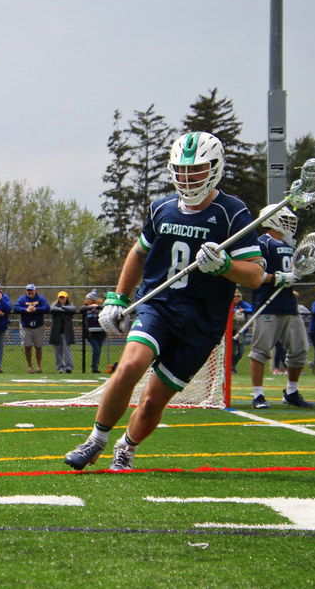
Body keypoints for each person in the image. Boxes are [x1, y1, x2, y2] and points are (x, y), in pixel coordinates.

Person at [64, 132, 263, 472]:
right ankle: (95, 441)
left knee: (155, 399)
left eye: (197, 169)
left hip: (202, 323)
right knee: (127, 367)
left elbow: (256, 275)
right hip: (159, 306)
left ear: (215, 169)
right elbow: (138, 253)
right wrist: (118, 297)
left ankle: (127, 447)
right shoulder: (162, 209)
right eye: (182, 170)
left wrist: (226, 266)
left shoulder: (232, 212)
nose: (188, 177)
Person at [247, 203, 314, 409]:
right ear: (272, 220)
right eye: (285, 220)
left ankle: (291, 392)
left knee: (300, 349)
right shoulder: (262, 243)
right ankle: (258, 395)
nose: (289, 224)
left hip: (289, 306)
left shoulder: (290, 246)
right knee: (260, 351)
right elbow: (253, 274)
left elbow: (293, 273)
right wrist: (278, 277)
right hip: (267, 306)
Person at [14, 284, 49, 373]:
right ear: (26, 291)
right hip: (26, 326)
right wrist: (26, 310)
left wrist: (36, 309)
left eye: (31, 290)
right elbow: (16, 308)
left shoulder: (40, 298)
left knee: (38, 346)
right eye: (28, 290)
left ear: (35, 290)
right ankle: (29, 366)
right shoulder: (22, 299)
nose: (30, 292)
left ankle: (38, 366)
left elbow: (47, 307)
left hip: (38, 326)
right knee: (28, 346)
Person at [49, 291, 76, 373]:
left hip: (67, 332)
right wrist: (63, 309)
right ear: (58, 298)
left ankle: (69, 367)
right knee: (58, 351)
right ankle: (60, 368)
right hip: (56, 331)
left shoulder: (70, 306)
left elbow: (73, 309)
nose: (62, 299)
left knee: (67, 350)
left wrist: (61, 308)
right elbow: (52, 309)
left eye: (63, 297)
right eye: (60, 297)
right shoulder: (54, 306)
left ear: (66, 298)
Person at [79, 290, 106, 373]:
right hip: (90, 333)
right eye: (86, 299)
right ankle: (94, 367)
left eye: (89, 299)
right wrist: (92, 306)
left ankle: (95, 368)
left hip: (101, 332)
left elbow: (104, 308)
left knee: (99, 350)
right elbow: (81, 309)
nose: (87, 300)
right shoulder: (85, 307)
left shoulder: (100, 306)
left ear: (93, 300)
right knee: (96, 349)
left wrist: (97, 306)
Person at [230, 289, 253, 373]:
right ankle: (231, 368)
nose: (236, 298)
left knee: (240, 352)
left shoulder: (243, 304)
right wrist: (236, 311)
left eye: (238, 296)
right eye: (234, 296)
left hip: (240, 331)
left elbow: (252, 309)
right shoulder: (229, 304)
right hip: (231, 332)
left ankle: (232, 366)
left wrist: (243, 310)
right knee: (231, 352)